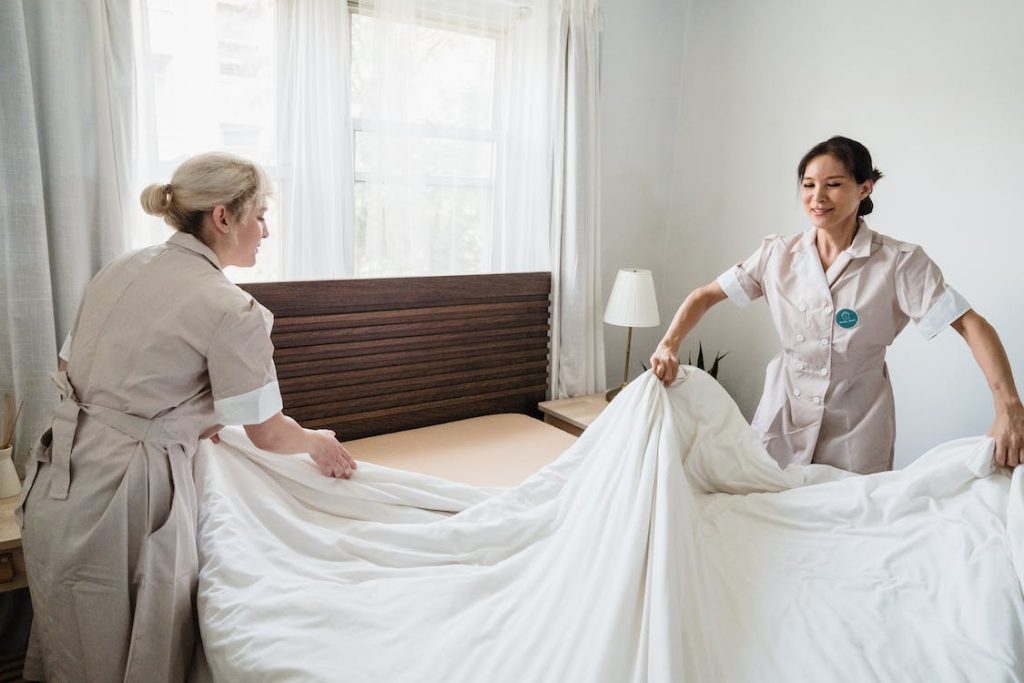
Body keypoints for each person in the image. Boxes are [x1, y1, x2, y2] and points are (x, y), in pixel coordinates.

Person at [19, 152, 358, 682]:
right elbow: (266, 434)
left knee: (73, 643)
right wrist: (315, 440)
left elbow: (72, 366)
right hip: (127, 496)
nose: (266, 231)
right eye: (261, 215)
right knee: (130, 649)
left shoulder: (120, 268)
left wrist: (187, 418)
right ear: (223, 217)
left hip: (54, 478)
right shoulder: (230, 309)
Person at [650, 136, 1023, 474]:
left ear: (865, 189)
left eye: (833, 185)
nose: (818, 197)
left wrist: (1009, 408)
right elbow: (705, 296)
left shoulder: (898, 262)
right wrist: (668, 344)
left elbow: (970, 324)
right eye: (809, 185)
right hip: (782, 416)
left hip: (856, 428)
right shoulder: (777, 254)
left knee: (848, 530)